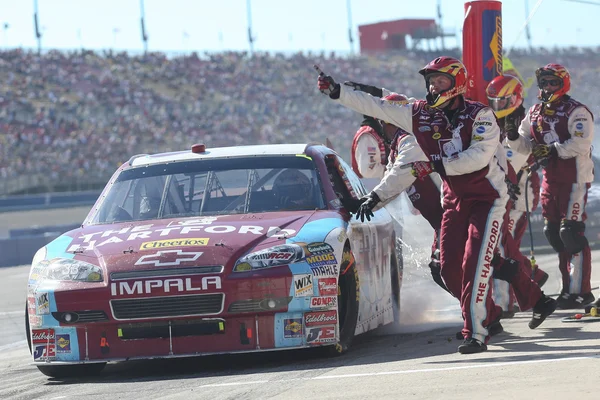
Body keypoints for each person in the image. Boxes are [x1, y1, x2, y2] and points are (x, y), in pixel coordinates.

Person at [317, 56, 556, 354]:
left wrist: (433, 164)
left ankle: (478, 333)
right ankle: (525, 303)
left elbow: (477, 158)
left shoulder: (479, 115)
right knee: (447, 269)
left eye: (440, 80)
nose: (433, 85)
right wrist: (338, 92)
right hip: (453, 202)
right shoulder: (418, 114)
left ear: (456, 84)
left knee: (476, 263)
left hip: (487, 200)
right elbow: (379, 107)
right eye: (430, 80)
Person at [506, 63, 596, 309]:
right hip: (550, 179)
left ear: (563, 84)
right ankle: (568, 288)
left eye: (552, 82)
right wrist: (513, 137)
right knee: (554, 234)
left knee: (571, 233)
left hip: (574, 178)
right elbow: (525, 146)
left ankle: (582, 292)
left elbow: (580, 144)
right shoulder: (534, 112)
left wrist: (553, 149)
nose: (547, 87)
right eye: (544, 83)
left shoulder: (577, 111)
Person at [352, 93, 448, 293]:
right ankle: (482, 312)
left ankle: (483, 314)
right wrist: (364, 203)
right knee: (444, 269)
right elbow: (390, 183)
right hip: (442, 222)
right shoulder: (397, 145)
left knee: (443, 269)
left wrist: (373, 199)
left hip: (452, 217)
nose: (382, 127)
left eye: (384, 121)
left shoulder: (411, 140)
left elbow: (396, 177)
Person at [486, 75, 551, 318]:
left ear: (515, 98)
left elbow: (526, 155)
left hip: (521, 192)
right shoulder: (491, 119)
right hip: (501, 191)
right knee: (501, 246)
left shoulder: (528, 120)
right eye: (493, 101)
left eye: (502, 102)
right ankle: (534, 276)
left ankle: (504, 303)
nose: (497, 107)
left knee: (503, 249)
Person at [350, 115, 389, 179]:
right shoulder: (368, 136)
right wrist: (390, 170)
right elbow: (367, 169)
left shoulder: (378, 133)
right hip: (371, 184)